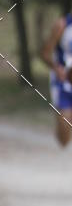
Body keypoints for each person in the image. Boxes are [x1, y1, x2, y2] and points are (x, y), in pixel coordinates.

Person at [40, 10, 72, 146]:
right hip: (64, 83)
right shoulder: (62, 26)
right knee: (63, 140)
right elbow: (45, 54)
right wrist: (56, 67)